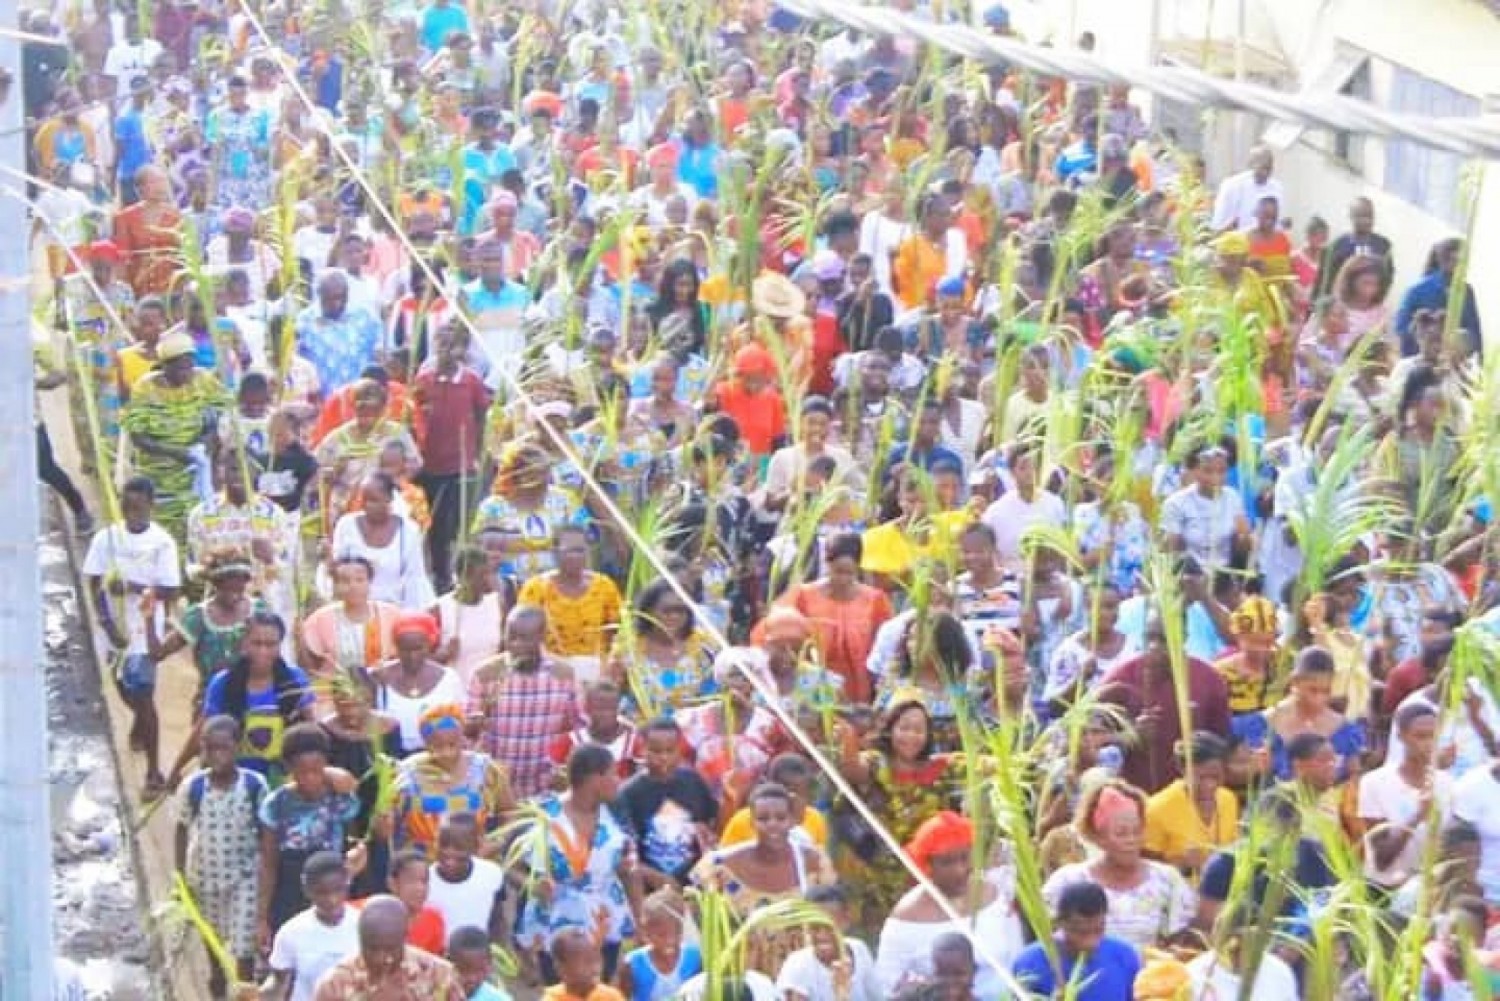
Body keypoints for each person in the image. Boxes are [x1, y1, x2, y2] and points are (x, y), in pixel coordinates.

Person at [83, 475, 181, 797]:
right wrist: (106, 622)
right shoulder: (107, 539)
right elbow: (94, 582)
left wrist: (134, 588)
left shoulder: (162, 542)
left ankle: (153, 772)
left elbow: (172, 589)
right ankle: (139, 722)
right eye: (127, 504)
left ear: (150, 506)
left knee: (142, 693)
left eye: (138, 506)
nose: (132, 511)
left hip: (144, 630)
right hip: (113, 630)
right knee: (123, 690)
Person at [519, 744, 643, 983]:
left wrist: (639, 918)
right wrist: (533, 884)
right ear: (594, 779)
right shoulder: (544, 815)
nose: (618, 780)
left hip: (603, 920)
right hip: (555, 921)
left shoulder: (617, 813)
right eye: (613, 773)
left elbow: (630, 870)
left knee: (598, 988)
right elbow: (514, 865)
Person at [691, 783, 836, 975]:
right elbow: (696, 910)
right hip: (744, 976)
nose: (772, 824)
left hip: (801, 973)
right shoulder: (720, 866)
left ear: (792, 820)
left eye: (781, 818)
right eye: (763, 818)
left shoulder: (813, 862)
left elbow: (830, 914)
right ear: (751, 822)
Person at [874, 811, 1024, 997]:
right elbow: (886, 988)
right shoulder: (904, 920)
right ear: (927, 865)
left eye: (964, 857)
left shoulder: (994, 895)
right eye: (947, 862)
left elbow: (1018, 961)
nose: (960, 870)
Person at [1042, 781, 1196, 952]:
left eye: (1137, 831)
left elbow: (1179, 942)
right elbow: (1050, 939)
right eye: (1121, 833)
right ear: (1097, 835)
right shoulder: (1068, 881)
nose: (1131, 840)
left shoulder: (1167, 880)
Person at [175, 715, 268, 998]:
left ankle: (244, 989)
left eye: (223, 748)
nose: (216, 755)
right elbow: (181, 829)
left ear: (237, 748)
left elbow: (266, 834)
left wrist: (265, 875)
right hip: (204, 877)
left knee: (243, 945)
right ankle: (216, 980)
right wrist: (179, 877)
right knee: (212, 936)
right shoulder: (193, 787)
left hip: (244, 877)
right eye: (209, 748)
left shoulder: (254, 786)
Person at [465, 604, 579, 798]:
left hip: (545, 789)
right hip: (494, 789)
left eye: (524, 638)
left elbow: (580, 729)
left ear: (542, 637)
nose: (516, 645)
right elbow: (467, 733)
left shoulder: (563, 675)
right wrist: (473, 725)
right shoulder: (486, 674)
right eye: (511, 637)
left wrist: (565, 770)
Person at [257, 724, 361, 935]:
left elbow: (354, 840)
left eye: (316, 770)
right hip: (289, 891)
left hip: (332, 888)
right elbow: (269, 863)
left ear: (326, 764)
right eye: (301, 772)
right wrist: (261, 917)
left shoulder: (340, 799)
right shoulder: (275, 805)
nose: (310, 778)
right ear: (289, 768)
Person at [393, 703, 514, 855]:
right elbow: (391, 824)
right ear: (425, 744)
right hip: (425, 867)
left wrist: (496, 843)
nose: (446, 753)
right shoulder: (408, 773)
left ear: (462, 738)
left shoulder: (485, 769)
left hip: (474, 861)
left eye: (452, 744)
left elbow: (509, 812)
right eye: (437, 746)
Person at [616, 717, 719, 890]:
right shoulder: (628, 794)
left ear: (679, 750)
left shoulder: (693, 781)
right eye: (656, 751)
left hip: (695, 886)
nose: (664, 758)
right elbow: (621, 855)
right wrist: (654, 877)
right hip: (650, 890)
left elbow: (710, 825)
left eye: (670, 751)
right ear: (642, 750)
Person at [310, 895, 466, 999]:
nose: (381, 958)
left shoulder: (440, 975)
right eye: (372, 948)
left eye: (391, 949)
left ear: (405, 937)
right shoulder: (335, 983)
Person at [1012, 881, 1140, 1001]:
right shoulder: (1029, 963)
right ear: (1059, 923)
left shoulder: (1124, 956)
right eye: (1081, 932)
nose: (1091, 943)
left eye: (1098, 930)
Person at [261, 851, 360, 1001]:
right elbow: (278, 982)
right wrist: (257, 994)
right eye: (322, 893)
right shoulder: (292, 932)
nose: (332, 899)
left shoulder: (364, 926)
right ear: (307, 891)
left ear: (347, 884)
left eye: (338, 890)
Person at [1142, 731, 1239, 875]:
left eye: (1216, 777)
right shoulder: (1156, 809)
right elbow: (1145, 872)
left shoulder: (1228, 799)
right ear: (1182, 770)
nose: (1209, 786)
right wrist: (1182, 864)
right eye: (1201, 778)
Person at [370, 612, 467, 756]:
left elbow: (459, 722)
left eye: (418, 648)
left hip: (438, 758)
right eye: (405, 649)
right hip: (390, 761)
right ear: (396, 646)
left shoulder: (449, 679)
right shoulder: (376, 676)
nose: (412, 656)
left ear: (430, 644)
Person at [778, 885, 881, 1001]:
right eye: (815, 927)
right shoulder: (797, 966)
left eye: (830, 927)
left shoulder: (859, 949)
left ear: (846, 919)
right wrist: (840, 995)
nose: (822, 935)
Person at [427, 813, 506, 941]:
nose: (449, 852)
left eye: (459, 847)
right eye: (443, 845)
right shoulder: (425, 880)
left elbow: (497, 920)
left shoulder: (492, 874)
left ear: (475, 846)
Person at [450, 924, 514, 1001]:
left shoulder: (499, 999)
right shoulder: (436, 992)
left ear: (490, 965)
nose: (472, 978)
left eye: (480, 970)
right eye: (463, 970)